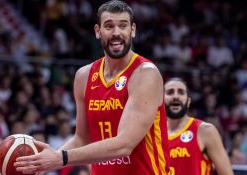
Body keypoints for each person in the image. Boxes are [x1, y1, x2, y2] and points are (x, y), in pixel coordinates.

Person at [15, 1, 170, 175]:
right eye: (109, 26)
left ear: (132, 30)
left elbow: (124, 145)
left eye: (123, 26)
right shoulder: (84, 76)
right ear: (98, 31)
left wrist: (60, 158)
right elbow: (82, 138)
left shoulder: (145, 74)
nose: (116, 33)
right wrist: (44, 161)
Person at [164, 77, 233, 175]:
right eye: (170, 92)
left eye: (181, 92)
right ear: (161, 101)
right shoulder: (154, 134)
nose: (175, 96)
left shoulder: (205, 131)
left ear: (188, 102)